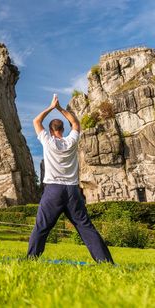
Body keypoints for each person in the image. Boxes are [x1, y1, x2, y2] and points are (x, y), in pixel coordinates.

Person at [27, 94, 114, 263]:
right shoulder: (71, 141)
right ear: (63, 130)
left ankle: (31, 260)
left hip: (53, 190)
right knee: (85, 227)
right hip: (73, 191)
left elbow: (36, 121)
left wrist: (51, 107)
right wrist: (60, 109)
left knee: (42, 227)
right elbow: (75, 123)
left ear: (51, 131)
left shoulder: (47, 141)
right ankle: (105, 262)